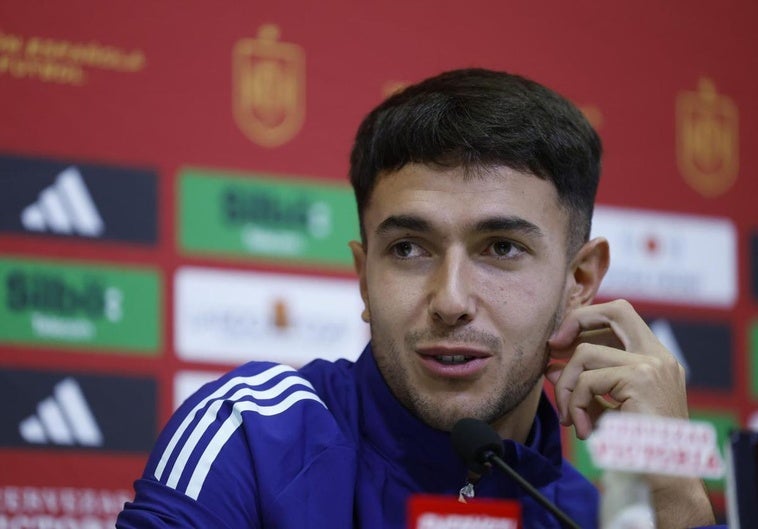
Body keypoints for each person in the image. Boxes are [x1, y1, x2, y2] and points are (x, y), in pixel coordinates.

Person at [117, 68, 724, 528]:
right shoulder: (253, 437)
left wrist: (675, 495)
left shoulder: (586, 513)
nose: (451, 300)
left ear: (580, 281)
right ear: (363, 276)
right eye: (409, 249)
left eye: (502, 248)